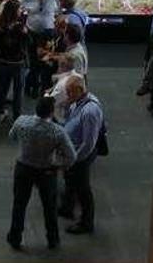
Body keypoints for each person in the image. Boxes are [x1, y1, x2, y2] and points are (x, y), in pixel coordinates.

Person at [7, 96, 76, 251]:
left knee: (19, 204)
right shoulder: (57, 132)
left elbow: (11, 137)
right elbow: (71, 157)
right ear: (51, 113)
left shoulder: (22, 122)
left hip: (23, 167)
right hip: (46, 170)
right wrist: (57, 164)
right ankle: (53, 239)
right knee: (49, 206)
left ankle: (15, 237)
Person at [59, 76, 103, 235]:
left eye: (69, 92)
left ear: (79, 90)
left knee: (83, 189)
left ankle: (86, 222)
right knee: (70, 181)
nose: (67, 95)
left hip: (80, 156)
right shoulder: (77, 103)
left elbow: (89, 143)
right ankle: (67, 207)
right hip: (72, 152)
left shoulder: (90, 111)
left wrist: (74, 159)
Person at [0, 0, 30, 120]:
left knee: (3, 88)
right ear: (15, 11)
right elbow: (28, 42)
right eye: (19, 9)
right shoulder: (19, 28)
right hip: (18, 63)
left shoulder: (1, 25)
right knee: (18, 91)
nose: (21, 11)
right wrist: (26, 32)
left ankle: (1, 111)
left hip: (4, 62)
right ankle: (17, 116)